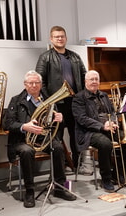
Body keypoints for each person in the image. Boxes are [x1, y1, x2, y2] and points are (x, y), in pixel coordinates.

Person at [5, 70, 77, 208]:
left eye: (36, 82)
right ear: (25, 85)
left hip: (43, 138)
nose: (33, 85)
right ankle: (30, 191)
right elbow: (8, 123)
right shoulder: (16, 100)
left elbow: (54, 123)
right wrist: (25, 126)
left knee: (58, 148)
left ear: (41, 84)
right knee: (27, 152)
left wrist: (60, 119)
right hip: (22, 140)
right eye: (30, 83)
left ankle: (59, 187)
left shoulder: (48, 100)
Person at [72, 70, 126, 192]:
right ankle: (106, 178)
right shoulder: (78, 98)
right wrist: (102, 125)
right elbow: (82, 119)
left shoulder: (104, 95)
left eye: (96, 79)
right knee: (105, 144)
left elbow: (112, 112)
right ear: (85, 81)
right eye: (92, 79)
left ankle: (118, 173)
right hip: (88, 132)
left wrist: (113, 121)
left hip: (108, 128)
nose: (94, 81)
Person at [35, 25, 87, 171]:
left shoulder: (75, 56)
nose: (60, 39)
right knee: (56, 136)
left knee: (75, 134)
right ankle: (60, 166)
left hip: (74, 102)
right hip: (56, 103)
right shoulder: (45, 57)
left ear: (66, 38)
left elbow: (84, 77)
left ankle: (77, 164)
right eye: (56, 37)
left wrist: (82, 98)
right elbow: (40, 81)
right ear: (51, 39)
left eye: (62, 36)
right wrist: (49, 100)